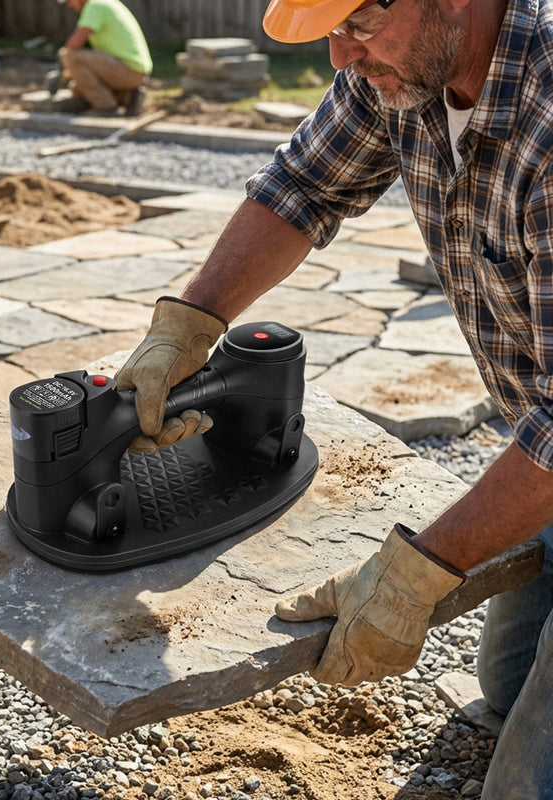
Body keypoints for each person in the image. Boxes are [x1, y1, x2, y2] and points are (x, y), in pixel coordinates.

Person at [114, 0, 553, 796]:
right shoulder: (400, 66)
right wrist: (187, 324)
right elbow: (301, 186)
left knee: (528, 780)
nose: (338, 58)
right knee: (506, 684)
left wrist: (420, 572)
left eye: (355, 25)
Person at [55, 0, 152, 115]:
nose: (70, 5)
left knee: (71, 56)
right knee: (78, 89)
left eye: (70, 1)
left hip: (129, 70)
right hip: (134, 72)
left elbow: (73, 46)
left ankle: (106, 107)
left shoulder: (95, 5)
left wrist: (61, 70)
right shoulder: (105, 3)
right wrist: (67, 76)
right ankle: (128, 96)